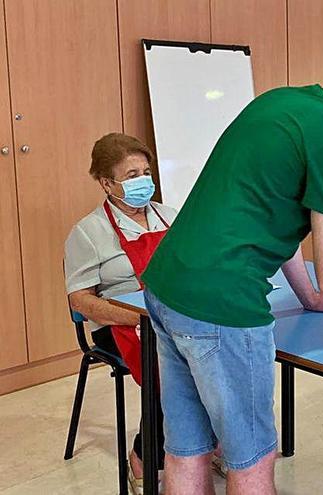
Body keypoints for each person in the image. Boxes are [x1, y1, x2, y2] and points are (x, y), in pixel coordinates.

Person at [139, 31, 323, 494]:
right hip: (224, 306)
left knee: (186, 448)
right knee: (252, 458)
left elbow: (272, 218)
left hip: (166, 285)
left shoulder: (281, 102)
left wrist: (307, 296)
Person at [64, 133, 177, 494]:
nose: (143, 180)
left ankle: (203, 444)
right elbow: (80, 300)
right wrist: (138, 317)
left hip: (171, 316)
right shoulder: (89, 231)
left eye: (146, 171)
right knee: (171, 368)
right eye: (131, 175)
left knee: (218, 354)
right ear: (106, 183)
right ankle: (145, 455)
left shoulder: (170, 216)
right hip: (119, 323)